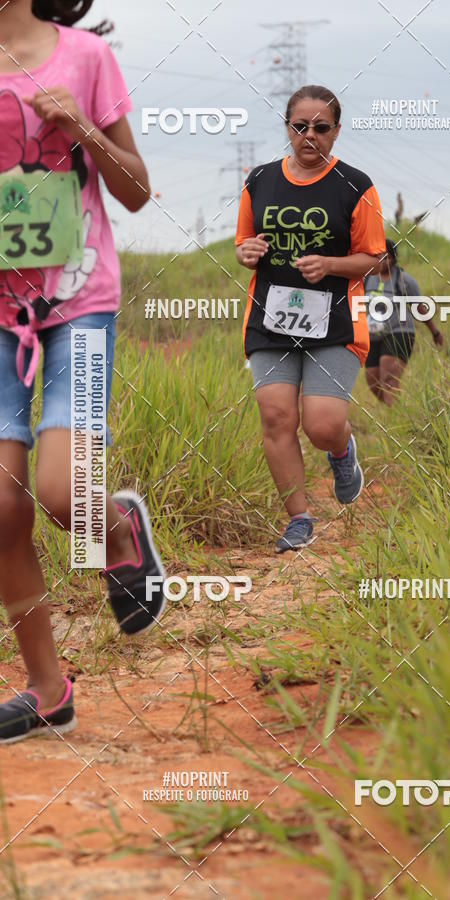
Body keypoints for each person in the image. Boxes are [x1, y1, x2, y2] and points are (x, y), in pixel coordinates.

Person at [0, 0, 166, 743]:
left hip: (79, 304)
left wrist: (83, 128)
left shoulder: (85, 59)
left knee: (65, 493)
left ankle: (118, 526)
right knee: (0, 512)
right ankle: (47, 690)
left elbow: (134, 188)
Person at [235, 84, 386, 554]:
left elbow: (374, 258)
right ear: (287, 127)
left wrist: (331, 265)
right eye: (300, 126)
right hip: (270, 319)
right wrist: (248, 252)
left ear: (336, 132)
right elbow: (242, 244)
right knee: (277, 417)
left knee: (320, 425)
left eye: (321, 128)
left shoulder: (356, 186)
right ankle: (298, 518)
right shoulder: (259, 180)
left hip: (335, 321)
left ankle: (341, 452)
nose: (310, 136)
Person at [364, 239, 443, 406]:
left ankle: (398, 423)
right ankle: (400, 412)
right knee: (373, 382)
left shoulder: (404, 281)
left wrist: (435, 332)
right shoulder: (367, 279)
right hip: (373, 334)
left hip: (399, 331)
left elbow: (419, 308)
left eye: (385, 257)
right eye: (377, 257)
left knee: (389, 380)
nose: (381, 261)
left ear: (393, 258)